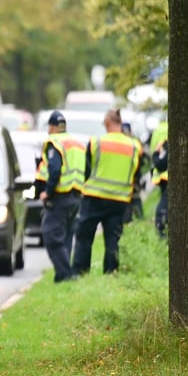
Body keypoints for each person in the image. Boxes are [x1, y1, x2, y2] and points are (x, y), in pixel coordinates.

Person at [70, 109, 142, 276]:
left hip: (94, 197)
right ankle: (111, 273)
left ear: (108, 123)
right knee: (113, 239)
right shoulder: (134, 146)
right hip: (119, 199)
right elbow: (136, 174)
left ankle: (80, 273)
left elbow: (86, 170)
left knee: (84, 236)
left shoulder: (97, 143)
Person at [34, 111, 85, 283]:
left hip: (59, 197)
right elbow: (87, 168)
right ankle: (63, 276)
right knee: (66, 237)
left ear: (52, 127)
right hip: (76, 197)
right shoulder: (77, 144)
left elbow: (55, 170)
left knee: (51, 235)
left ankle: (65, 274)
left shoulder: (55, 143)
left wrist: (47, 192)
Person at [152, 137, 168, 239]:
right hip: (165, 183)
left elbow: (160, 164)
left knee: (162, 211)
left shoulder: (169, 146)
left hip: (169, 183)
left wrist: (155, 153)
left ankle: (163, 237)